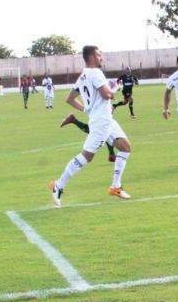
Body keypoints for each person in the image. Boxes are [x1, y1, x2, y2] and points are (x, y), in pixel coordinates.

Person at [49, 45, 132, 207]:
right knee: (87, 156)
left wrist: (87, 109)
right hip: (102, 122)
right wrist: (114, 88)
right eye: (99, 55)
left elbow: (70, 99)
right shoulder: (96, 73)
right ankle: (58, 185)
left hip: (105, 119)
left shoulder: (82, 76)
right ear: (93, 57)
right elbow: (107, 94)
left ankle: (115, 186)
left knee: (125, 147)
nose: (102, 58)